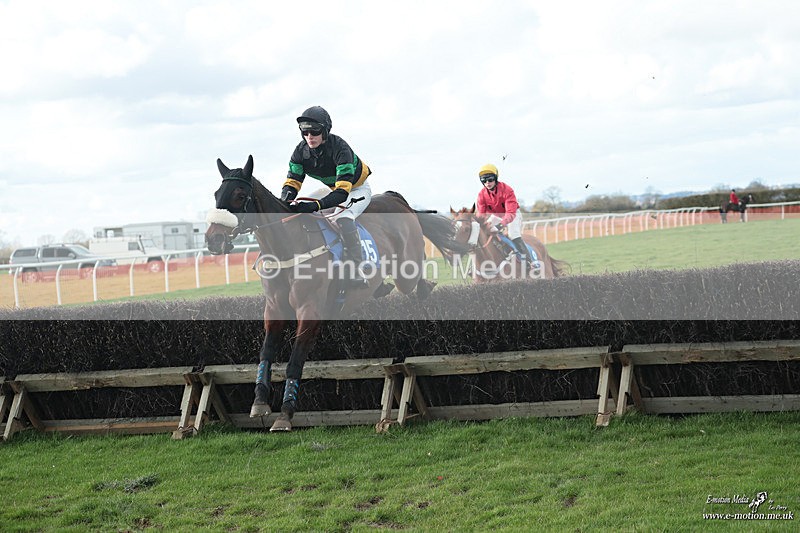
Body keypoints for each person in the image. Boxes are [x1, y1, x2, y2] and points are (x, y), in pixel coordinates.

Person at [280, 106, 372, 287]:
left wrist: (316, 206)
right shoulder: (300, 152)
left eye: (314, 131)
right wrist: (285, 202)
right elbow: (292, 183)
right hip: (332, 189)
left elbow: (342, 193)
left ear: (325, 130)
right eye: (305, 131)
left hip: (356, 189)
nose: (309, 136)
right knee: (295, 208)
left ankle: (357, 269)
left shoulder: (340, 148)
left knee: (343, 217)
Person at [475, 163, 535, 271]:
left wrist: (500, 226)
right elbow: (481, 215)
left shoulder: (507, 190)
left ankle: (530, 262)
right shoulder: (481, 194)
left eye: (490, 179)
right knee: (481, 234)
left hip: (513, 215)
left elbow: (510, 214)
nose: (487, 183)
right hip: (496, 216)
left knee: (513, 235)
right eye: (484, 180)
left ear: (496, 178)